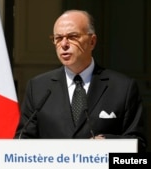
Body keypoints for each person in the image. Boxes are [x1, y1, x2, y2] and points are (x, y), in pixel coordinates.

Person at [14, 9, 146, 151]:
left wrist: (107, 144)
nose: (64, 44)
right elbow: (23, 139)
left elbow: (138, 144)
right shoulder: (38, 87)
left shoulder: (122, 87)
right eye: (58, 38)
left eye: (72, 37)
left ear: (92, 41)